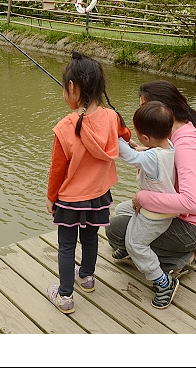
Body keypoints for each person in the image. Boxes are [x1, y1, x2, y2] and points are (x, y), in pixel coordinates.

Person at [106, 80, 196, 309]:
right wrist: (141, 148)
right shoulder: (176, 134)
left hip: (192, 226)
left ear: (166, 113)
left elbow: (190, 203)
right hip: (173, 215)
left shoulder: (188, 146)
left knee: (119, 232)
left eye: (144, 109)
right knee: (121, 212)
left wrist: (142, 197)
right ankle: (160, 253)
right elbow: (162, 155)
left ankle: (180, 261)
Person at [45, 52, 131, 314]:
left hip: (70, 200)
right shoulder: (111, 118)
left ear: (72, 87)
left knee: (67, 245)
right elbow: (125, 135)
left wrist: (51, 198)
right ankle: (87, 277)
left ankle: (65, 296)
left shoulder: (65, 127)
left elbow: (57, 169)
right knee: (91, 237)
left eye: (64, 88)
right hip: (99, 196)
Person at [113, 100, 180, 308]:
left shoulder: (151, 157)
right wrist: (140, 146)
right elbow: (148, 153)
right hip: (159, 206)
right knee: (121, 209)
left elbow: (130, 157)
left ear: (145, 137)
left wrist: (113, 136)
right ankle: (128, 247)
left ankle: (162, 282)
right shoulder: (168, 147)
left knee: (136, 244)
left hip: (155, 215)